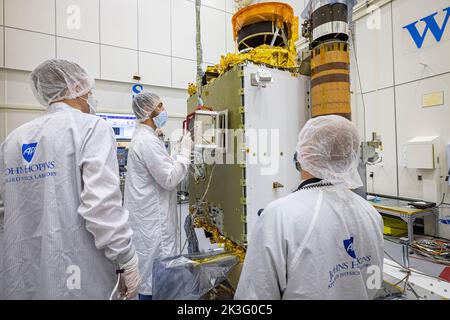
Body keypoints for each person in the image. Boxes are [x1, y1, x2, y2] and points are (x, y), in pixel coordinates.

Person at [0, 59, 141, 300]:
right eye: (90, 91)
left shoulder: (13, 139)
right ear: (77, 88)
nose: (91, 98)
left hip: (22, 277)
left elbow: (5, 211)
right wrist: (127, 258)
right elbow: (101, 208)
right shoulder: (90, 128)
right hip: (78, 278)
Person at [235, 115, 384, 300]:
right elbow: (374, 285)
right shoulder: (371, 213)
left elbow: (254, 297)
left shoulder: (279, 216)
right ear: (351, 157)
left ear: (303, 154)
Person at [124, 91, 192, 300]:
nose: (164, 110)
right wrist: (184, 154)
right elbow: (170, 179)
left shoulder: (145, 138)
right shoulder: (146, 141)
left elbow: (161, 168)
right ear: (148, 111)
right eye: (160, 106)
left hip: (148, 223)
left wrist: (175, 153)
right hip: (154, 227)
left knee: (153, 280)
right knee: (156, 284)